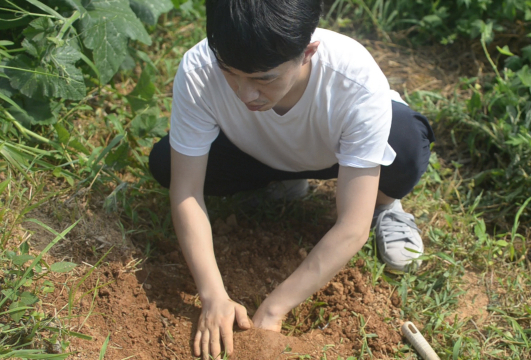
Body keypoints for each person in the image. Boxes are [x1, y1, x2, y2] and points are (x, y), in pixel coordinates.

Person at [148, 0, 435, 358]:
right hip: (256, 151)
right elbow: (186, 190)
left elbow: (351, 227)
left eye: (263, 79)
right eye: (230, 72)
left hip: (338, 155)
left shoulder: (354, 80)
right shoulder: (200, 68)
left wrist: (273, 309)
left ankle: (385, 205)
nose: (245, 93)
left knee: (406, 140)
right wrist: (213, 295)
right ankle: (282, 183)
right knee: (166, 162)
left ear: (307, 52)